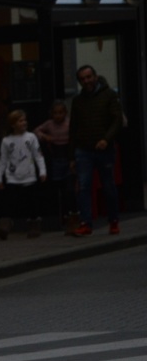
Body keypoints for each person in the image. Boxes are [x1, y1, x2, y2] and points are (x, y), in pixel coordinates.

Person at [68, 64, 123, 236]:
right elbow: (73, 128)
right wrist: (72, 156)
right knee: (83, 186)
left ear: (95, 76)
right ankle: (86, 223)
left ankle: (113, 221)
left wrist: (106, 139)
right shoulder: (77, 101)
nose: (86, 81)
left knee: (108, 185)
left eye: (88, 77)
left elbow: (117, 120)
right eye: (82, 79)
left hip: (104, 149)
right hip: (83, 149)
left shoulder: (109, 95)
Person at [0, 110, 47, 240]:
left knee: (32, 203)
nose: (24, 123)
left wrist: (42, 171)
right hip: (13, 177)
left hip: (29, 176)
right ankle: (5, 224)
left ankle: (34, 225)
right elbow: (3, 160)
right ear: (13, 124)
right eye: (20, 121)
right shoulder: (7, 141)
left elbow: (38, 155)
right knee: (9, 202)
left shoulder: (31, 137)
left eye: (25, 120)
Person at [33, 100, 78, 235]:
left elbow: (76, 137)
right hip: (56, 158)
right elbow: (36, 131)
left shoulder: (69, 124)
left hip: (68, 156)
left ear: (65, 113)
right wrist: (45, 136)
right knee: (58, 188)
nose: (58, 116)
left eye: (61, 113)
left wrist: (74, 158)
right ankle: (62, 217)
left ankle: (73, 217)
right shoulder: (49, 124)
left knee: (69, 189)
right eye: (55, 113)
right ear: (51, 114)